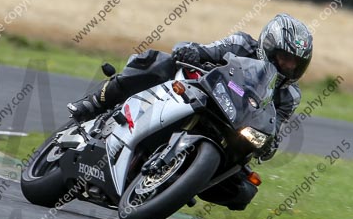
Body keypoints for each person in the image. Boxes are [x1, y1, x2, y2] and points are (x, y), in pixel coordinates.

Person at [67, 13, 313, 209]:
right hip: (203, 95)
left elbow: (275, 125)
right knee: (158, 62)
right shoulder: (241, 44)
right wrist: (193, 52)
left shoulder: (290, 96)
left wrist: (270, 144)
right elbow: (208, 50)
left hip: (232, 128)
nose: (289, 66)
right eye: (284, 58)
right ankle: (94, 102)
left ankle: (180, 181)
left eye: (295, 64)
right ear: (268, 47)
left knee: (243, 191)